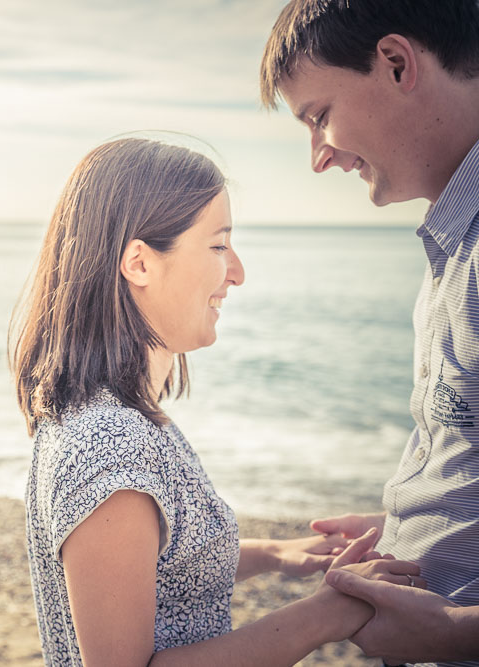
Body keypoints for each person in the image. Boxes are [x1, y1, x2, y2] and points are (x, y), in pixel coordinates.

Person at [9, 137, 421, 666]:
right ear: (139, 263)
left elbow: (156, 562)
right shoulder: (109, 447)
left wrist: (276, 554)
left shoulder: (111, 417)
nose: (237, 272)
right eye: (219, 245)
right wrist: (327, 614)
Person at [259, 1, 479, 665]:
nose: (318, 159)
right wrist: (412, 528)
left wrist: (455, 631)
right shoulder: (452, 246)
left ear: (395, 63)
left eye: (318, 117)